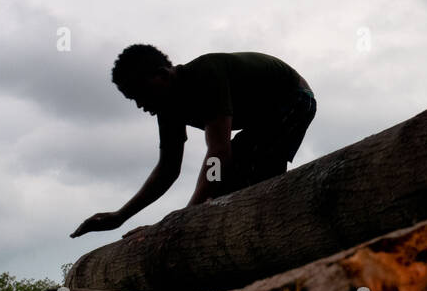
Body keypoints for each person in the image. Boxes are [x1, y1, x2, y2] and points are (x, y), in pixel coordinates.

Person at [70, 45, 316, 238]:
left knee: (252, 171)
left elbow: (219, 152)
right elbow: (167, 170)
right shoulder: (166, 108)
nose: (141, 105)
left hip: (294, 98)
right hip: (259, 119)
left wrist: (184, 218)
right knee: (222, 187)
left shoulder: (205, 74)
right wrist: (119, 216)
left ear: (163, 75)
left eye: (142, 94)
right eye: (133, 99)